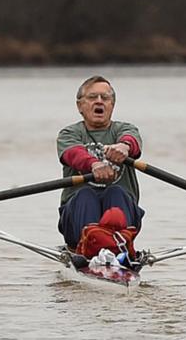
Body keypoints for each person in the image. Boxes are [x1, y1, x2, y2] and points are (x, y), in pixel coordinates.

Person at [56, 75, 144, 249]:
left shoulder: (125, 129)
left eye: (105, 98)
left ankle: (118, 245)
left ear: (112, 105)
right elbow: (73, 153)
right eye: (92, 97)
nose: (99, 101)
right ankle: (89, 246)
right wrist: (94, 164)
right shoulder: (69, 133)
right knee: (85, 194)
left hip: (121, 210)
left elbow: (132, 140)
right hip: (76, 215)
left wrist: (124, 147)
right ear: (80, 106)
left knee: (116, 192)